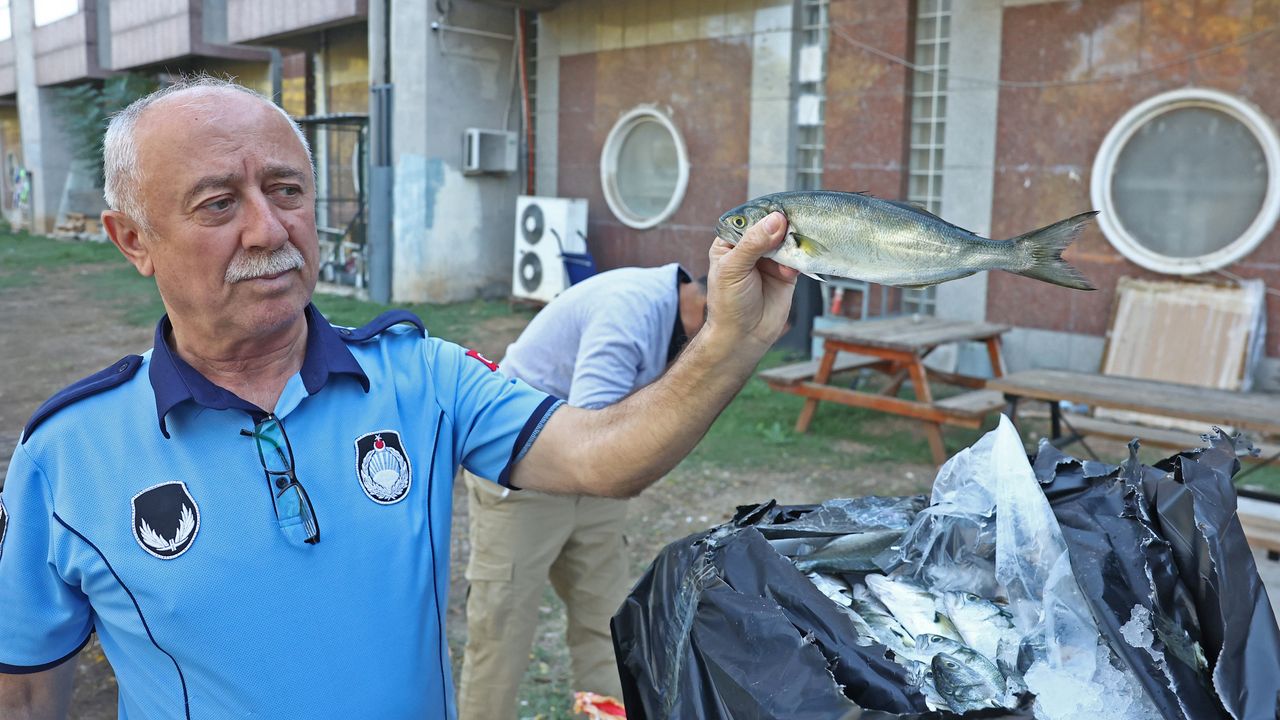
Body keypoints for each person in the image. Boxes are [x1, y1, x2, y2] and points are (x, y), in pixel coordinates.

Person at [0, 78, 796, 719]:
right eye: (218, 204)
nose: (269, 229)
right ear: (132, 238)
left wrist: (731, 340)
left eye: (287, 190)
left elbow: (603, 457)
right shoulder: (68, 454)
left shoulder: (423, 378)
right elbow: (27, 686)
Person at [457, 263, 708, 719]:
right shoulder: (630, 313)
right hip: (524, 471)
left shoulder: (677, 310)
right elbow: (591, 436)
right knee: (502, 634)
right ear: (714, 308)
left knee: (607, 624)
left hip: (592, 481)